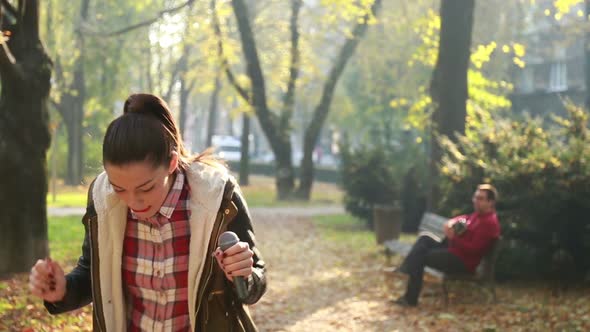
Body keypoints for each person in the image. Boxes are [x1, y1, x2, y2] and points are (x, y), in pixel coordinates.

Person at [29, 93, 266, 331]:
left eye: (146, 187)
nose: (133, 201)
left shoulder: (217, 197)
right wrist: (62, 291)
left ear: (171, 163)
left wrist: (243, 275)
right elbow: (93, 273)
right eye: (119, 188)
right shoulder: (103, 199)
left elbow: (255, 283)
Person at [393, 184, 501, 307]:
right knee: (425, 238)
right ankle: (408, 270)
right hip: (453, 251)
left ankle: (410, 296)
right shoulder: (477, 215)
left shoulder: (489, 223)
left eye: (480, 199)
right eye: (475, 197)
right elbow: (460, 218)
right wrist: (450, 224)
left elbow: (474, 250)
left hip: (463, 262)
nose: (475, 201)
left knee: (420, 256)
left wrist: (454, 238)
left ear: (490, 202)